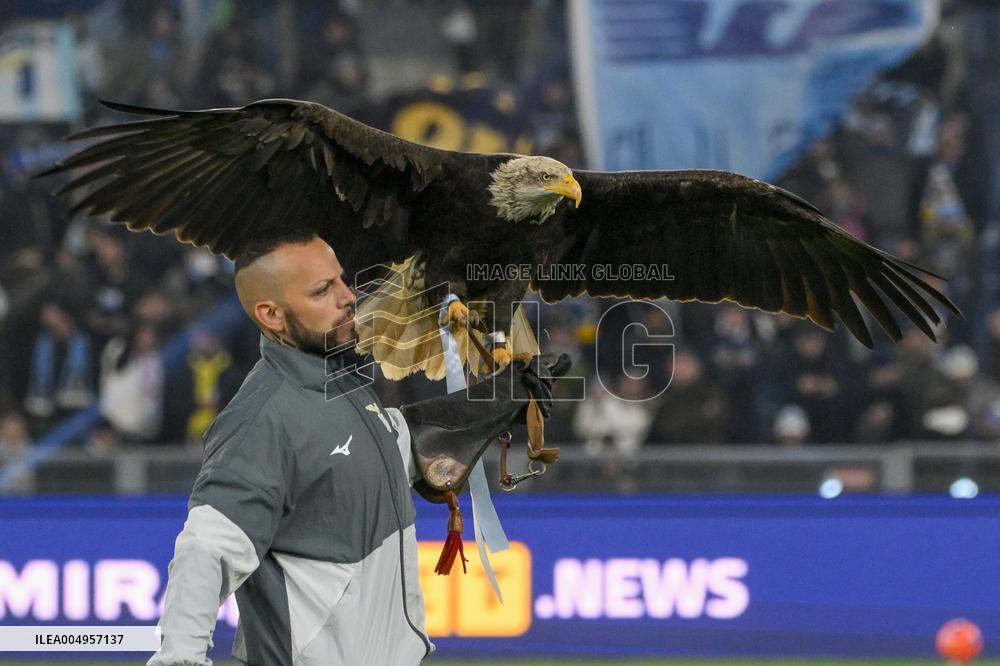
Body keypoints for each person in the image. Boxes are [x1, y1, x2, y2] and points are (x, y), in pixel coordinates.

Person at [147, 227, 567, 666]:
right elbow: (204, 552)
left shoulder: (341, 383)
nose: (348, 296)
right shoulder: (262, 418)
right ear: (271, 315)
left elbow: (372, 456)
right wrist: (180, 659)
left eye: (342, 280)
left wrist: (493, 404)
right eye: (322, 290)